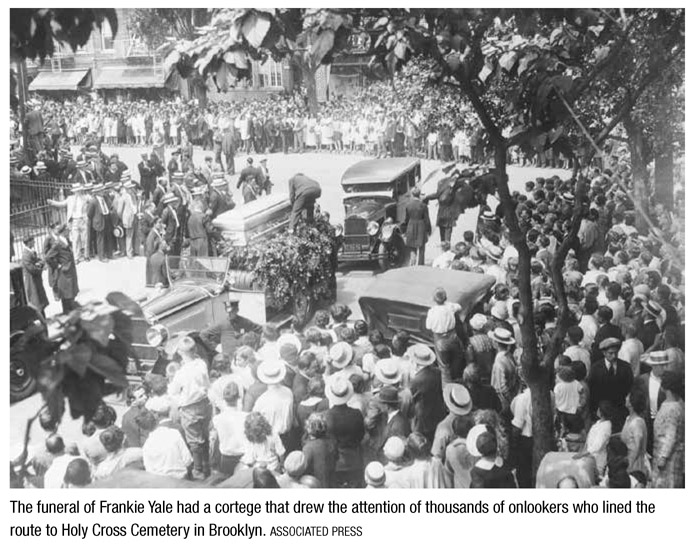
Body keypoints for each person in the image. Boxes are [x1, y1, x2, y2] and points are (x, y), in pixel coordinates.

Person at [167, 336, 212, 480]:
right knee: (204, 436)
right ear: (195, 350)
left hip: (189, 408)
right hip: (204, 403)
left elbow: (172, 392)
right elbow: (205, 382)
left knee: (194, 441)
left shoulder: (181, 373)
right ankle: (207, 465)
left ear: (180, 352)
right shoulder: (201, 364)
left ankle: (198, 470)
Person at [325, 377, 365, 488]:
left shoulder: (327, 416)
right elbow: (361, 434)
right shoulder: (356, 414)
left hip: (337, 461)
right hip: (355, 458)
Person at [142, 396, 192, 480]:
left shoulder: (149, 441)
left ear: (155, 415)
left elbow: (148, 469)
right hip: (180, 481)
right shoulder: (176, 432)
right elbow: (188, 461)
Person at [588, 338, 633, 431]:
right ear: (604, 353)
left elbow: (630, 387)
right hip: (603, 411)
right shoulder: (596, 368)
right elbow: (592, 391)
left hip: (621, 411)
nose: (614, 356)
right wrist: (594, 411)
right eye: (610, 353)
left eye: (616, 353)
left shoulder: (625, 367)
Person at [651, 370, 685, 488]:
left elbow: (671, 435)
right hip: (666, 454)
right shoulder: (677, 402)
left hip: (669, 458)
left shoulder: (672, 408)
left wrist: (663, 457)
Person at [425, 287, 464, 386]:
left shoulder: (432, 311)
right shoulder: (450, 306)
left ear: (434, 299)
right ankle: (457, 381)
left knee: (444, 367)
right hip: (452, 336)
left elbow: (428, 326)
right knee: (457, 360)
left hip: (440, 340)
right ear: (445, 298)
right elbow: (459, 307)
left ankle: (447, 388)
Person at [211, 382, 248, 477]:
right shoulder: (246, 417)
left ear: (224, 399)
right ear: (238, 398)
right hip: (244, 457)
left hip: (226, 457)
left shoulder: (217, 419)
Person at [43, 223, 79, 314]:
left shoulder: (66, 240)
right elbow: (48, 257)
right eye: (67, 230)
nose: (69, 231)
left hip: (71, 271)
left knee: (71, 294)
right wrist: (57, 265)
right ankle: (67, 315)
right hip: (64, 273)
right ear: (63, 232)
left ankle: (72, 314)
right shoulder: (58, 244)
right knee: (66, 296)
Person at [20, 235, 49, 315]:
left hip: (36, 281)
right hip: (32, 282)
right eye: (33, 241)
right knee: (36, 302)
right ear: (29, 242)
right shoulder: (26, 255)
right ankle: (42, 321)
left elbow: (40, 261)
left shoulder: (31, 251)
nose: (34, 242)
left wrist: (39, 264)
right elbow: (32, 268)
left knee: (40, 301)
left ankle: (43, 319)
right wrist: (41, 268)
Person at [403, 187, 431, 266]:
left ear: (412, 194)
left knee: (412, 247)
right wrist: (429, 230)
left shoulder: (408, 205)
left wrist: (404, 230)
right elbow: (427, 219)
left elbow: (406, 219)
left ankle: (412, 263)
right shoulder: (423, 205)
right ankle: (420, 264)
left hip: (411, 225)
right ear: (419, 194)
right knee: (422, 248)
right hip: (421, 226)